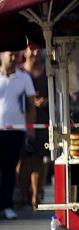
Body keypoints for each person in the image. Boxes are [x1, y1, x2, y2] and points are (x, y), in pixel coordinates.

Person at [0, 51, 36, 220]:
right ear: (2, 56)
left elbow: (31, 105)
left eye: (16, 55)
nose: (14, 58)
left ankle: (7, 205)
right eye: (11, 55)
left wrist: (30, 129)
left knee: (9, 169)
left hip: (15, 131)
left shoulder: (24, 78)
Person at [17, 44, 49, 209]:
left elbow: (54, 93)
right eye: (31, 48)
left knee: (38, 160)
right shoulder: (19, 73)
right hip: (21, 121)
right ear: (25, 51)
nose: (35, 52)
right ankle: (23, 195)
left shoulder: (45, 72)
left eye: (38, 49)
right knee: (22, 162)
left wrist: (45, 101)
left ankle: (36, 196)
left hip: (42, 119)